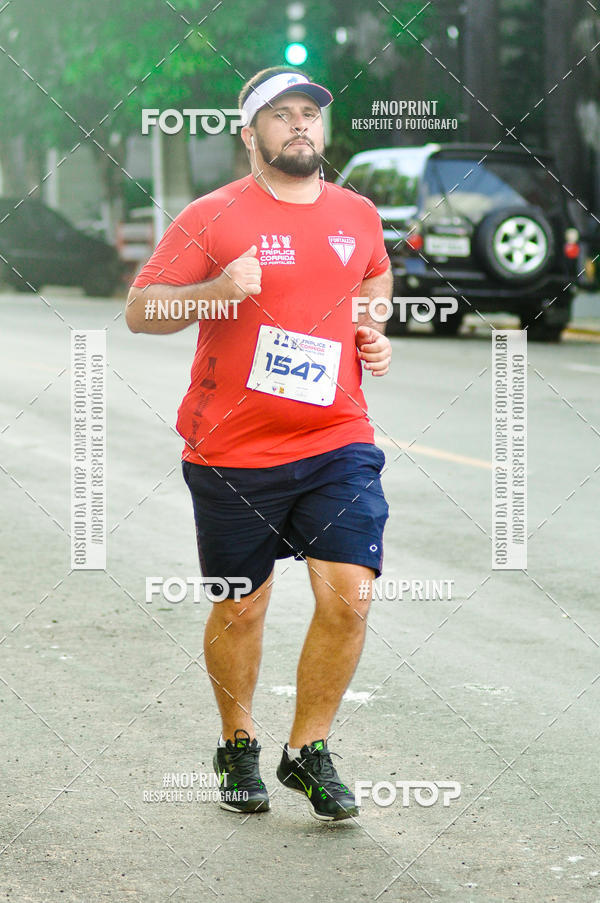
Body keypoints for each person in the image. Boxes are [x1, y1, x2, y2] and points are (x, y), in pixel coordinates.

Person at [125, 66, 393, 822]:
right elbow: (141, 310)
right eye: (281, 116)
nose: (300, 125)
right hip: (232, 450)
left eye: (310, 113)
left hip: (338, 437)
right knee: (242, 607)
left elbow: (375, 271)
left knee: (351, 592)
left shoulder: (358, 212)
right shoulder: (214, 216)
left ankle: (308, 750)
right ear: (251, 135)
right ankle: (237, 741)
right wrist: (216, 290)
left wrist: (372, 329)